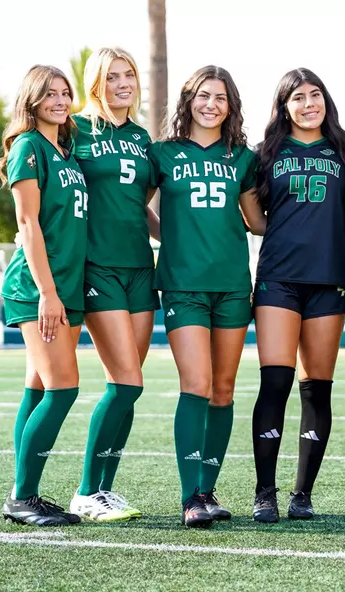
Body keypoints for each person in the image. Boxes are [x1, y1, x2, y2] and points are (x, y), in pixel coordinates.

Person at [147, 65, 266, 528]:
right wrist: (169, 237)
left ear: (231, 105)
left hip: (234, 285)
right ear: (188, 100)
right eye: (202, 95)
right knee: (195, 383)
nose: (210, 104)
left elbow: (257, 222)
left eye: (220, 97)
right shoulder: (163, 154)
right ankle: (189, 496)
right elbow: (133, 205)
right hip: (182, 285)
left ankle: (209, 490)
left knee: (223, 388)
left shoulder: (242, 158)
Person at [250, 68, 345, 522]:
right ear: (284, 106)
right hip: (279, 278)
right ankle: (265, 493)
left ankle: (302, 495)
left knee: (317, 389)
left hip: (329, 278)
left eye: (316, 95)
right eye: (298, 97)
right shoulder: (266, 153)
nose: (309, 103)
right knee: (275, 381)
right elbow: (254, 218)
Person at [67, 47, 160, 523]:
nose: (124, 83)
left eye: (129, 75)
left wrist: (182, 236)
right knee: (126, 383)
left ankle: (105, 489)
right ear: (96, 83)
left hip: (141, 268)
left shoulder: (143, 138)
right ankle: (85, 491)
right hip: (97, 268)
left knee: (129, 386)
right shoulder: (75, 130)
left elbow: (136, 204)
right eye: (113, 76)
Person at [0, 65, 87, 527]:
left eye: (65, 92)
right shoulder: (29, 146)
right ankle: (23, 495)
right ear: (31, 100)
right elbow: (27, 225)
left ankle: (21, 491)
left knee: (37, 388)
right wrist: (49, 295)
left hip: (66, 288)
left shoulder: (65, 151)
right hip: (37, 289)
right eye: (49, 93)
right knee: (63, 388)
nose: (59, 99)